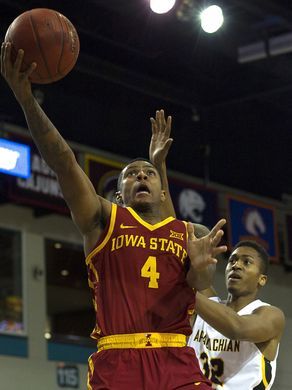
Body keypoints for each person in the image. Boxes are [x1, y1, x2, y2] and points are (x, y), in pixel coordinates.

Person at [1, 43, 227, 389]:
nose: (141, 175)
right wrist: (26, 99)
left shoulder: (190, 232)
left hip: (175, 360)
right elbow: (63, 162)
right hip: (119, 359)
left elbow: (200, 285)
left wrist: (199, 269)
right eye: (132, 174)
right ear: (118, 195)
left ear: (162, 189)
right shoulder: (104, 221)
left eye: (148, 173)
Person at [188, 240, 285, 389]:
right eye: (232, 260)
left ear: (262, 279)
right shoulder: (208, 304)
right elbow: (189, 273)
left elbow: (237, 328)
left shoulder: (271, 315)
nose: (236, 265)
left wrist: (185, 291)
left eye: (246, 262)